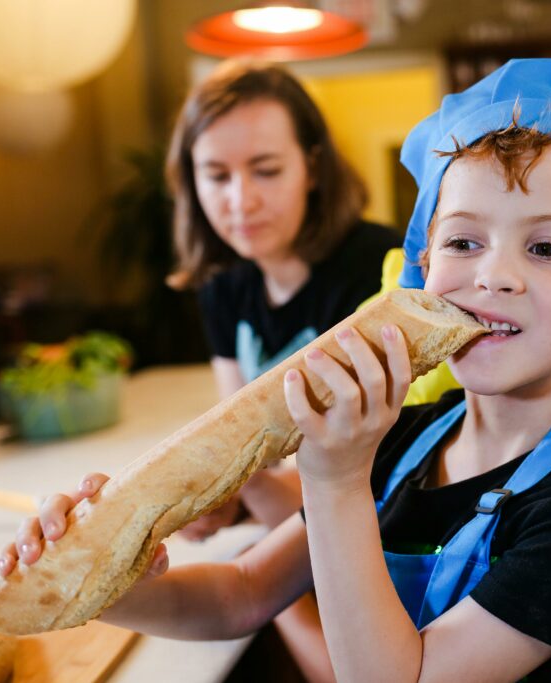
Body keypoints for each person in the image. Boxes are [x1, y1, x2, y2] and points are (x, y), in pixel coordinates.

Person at [0, 59, 551, 681]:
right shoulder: (403, 437)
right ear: (422, 264)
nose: (492, 275)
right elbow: (241, 592)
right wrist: (103, 579)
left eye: (545, 247)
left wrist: (335, 478)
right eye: (462, 240)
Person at [165, 60, 400, 680]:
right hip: (298, 537)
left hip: (382, 547)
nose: (240, 200)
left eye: (265, 169)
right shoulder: (223, 289)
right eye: (215, 175)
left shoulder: (379, 268)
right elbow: (248, 456)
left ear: (314, 167)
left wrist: (242, 488)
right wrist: (222, 501)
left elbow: (385, 485)